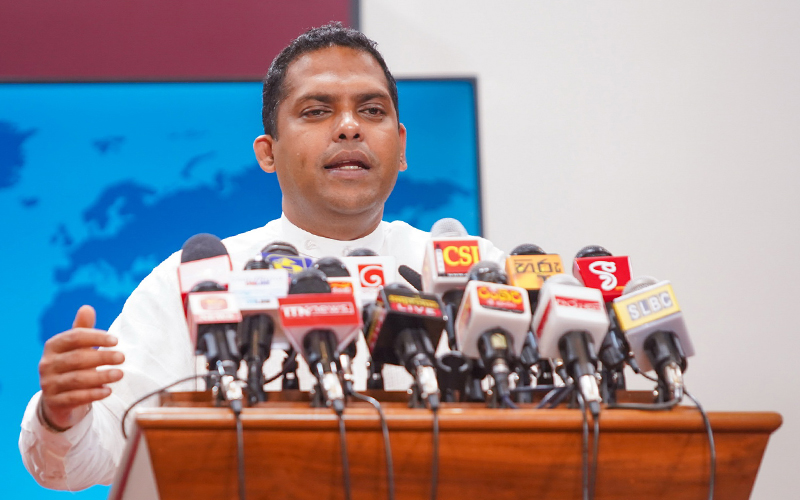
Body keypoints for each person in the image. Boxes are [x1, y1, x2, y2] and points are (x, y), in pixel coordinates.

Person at [19, 23, 503, 490]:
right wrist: (61, 415)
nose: (349, 128)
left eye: (372, 110)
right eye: (317, 111)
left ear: (400, 147)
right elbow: (90, 455)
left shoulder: (474, 276)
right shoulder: (202, 279)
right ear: (268, 153)